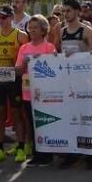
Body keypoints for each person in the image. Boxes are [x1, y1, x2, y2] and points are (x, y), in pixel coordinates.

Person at [56, 0, 92, 170]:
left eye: (69, 11)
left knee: (87, 119)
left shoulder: (86, 31)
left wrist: (79, 57)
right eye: (64, 11)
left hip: (86, 82)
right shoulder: (61, 31)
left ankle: (91, 155)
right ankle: (73, 153)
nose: (66, 14)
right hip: (69, 82)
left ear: (78, 12)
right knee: (72, 118)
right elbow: (57, 52)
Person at [0, 5, 28, 164]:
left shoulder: (21, 36)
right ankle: (0, 149)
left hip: (15, 81)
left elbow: (26, 61)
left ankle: (21, 148)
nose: (1, 20)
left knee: (17, 114)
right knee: (0, 115)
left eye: (4, 17)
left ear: (11, 18)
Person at [18, 15, 57, 167]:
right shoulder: (24, 48)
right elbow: (18, 71)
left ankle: (47, 155)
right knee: (32, 123)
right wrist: (23, 64)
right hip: (28, 92)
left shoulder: (49, 47)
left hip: (46, 93)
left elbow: (55, 69)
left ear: (43, 30)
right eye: (30, 28)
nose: (32, 30)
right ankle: (36, 154)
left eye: (35, 28)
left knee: (45, 123)